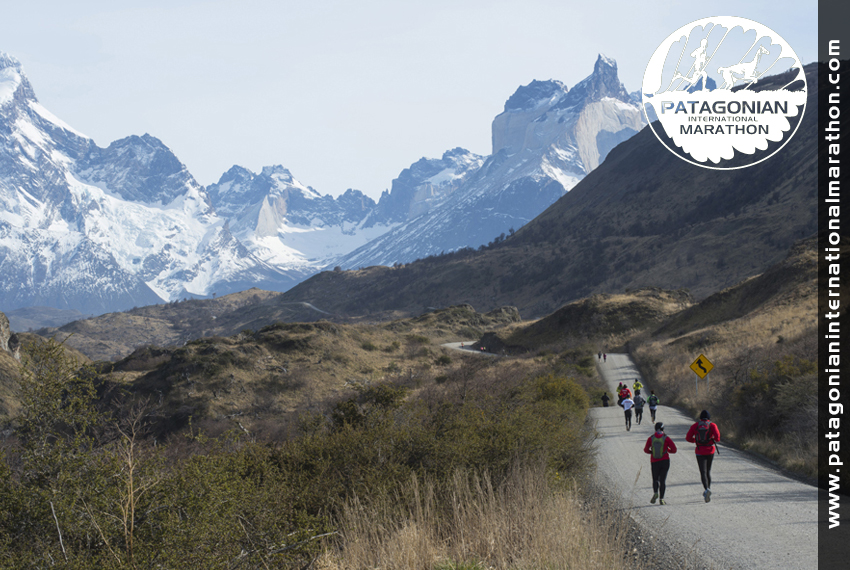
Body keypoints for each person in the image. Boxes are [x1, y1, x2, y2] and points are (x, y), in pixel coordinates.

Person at [686, 410, 721, 502]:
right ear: (709, 417)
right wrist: (711, 439)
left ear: (700, 417)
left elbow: (688, 438)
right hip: (710, 450)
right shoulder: (712, 425)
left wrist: (696, 441)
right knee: (708, 471)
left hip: (699, 451)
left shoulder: (695, 426)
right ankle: (708, 488)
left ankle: (706, 489)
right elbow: (717, 438)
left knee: (703, 472)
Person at [644, 422, 677, 505]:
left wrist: (652, 452)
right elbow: (674, 449)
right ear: (663, 429)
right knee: (663, 481)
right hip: (665, 461)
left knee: (655, 479)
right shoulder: (666, 438)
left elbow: (646, 450)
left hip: (654, 461)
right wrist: (666, 451)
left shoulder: (651, 438)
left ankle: (655, 492)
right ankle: (661, 499)